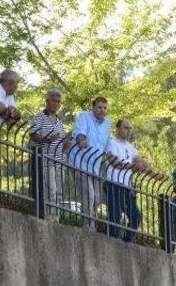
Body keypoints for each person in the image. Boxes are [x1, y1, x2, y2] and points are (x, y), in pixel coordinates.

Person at [69, 96, 111, 232]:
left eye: (105, 108)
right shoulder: (84, 116)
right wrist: (81, 140)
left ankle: (92, 221)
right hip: (80, 161)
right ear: (93, 107)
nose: (102, 110)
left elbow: (106, 144)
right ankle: (88, 225)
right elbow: (79, 132)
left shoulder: (107, 123)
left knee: (97, 198)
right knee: (89, 194)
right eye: (99, 107)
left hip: (96, 164)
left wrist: (112, 157)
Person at [29, 89, 70, 222]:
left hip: (59, 160)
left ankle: (56, 218)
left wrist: (66, 143)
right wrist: (45, 139)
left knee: (59, 191)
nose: (56, 104)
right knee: (50, 189)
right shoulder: (39, 116)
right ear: (47, 101)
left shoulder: (60, 122)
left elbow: (61, 141)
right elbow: (33, 135)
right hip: (46, 159)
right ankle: (48, 217)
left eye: (58, 102)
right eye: (53, 101)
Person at [103, 119, 145, 242]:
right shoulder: (111, 142)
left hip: (126, 186)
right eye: (126, 128)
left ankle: (126, 241)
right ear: (118, 129)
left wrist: (151, 171)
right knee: (115, 215)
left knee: (135, 216)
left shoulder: (129, 146)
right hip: (113, 183)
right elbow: (116, 163)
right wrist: (133, 166)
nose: (129, 131)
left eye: (130, 128)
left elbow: (139, 160)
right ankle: (113, 240)